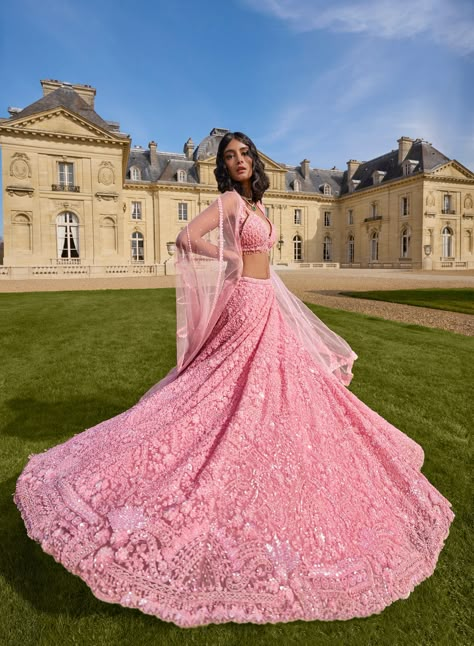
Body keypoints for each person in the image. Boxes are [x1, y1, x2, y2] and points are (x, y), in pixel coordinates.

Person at [15, 132, 454, 629]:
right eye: (231, 156)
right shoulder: (226, 199)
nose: (240, 161)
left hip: (266, 299)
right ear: (224, 166)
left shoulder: (258, 203)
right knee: (228, 385)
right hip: (246, 300)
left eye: (245, 153)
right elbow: (186, 238)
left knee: (271, 384)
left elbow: (268, 263)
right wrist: (230, 261)